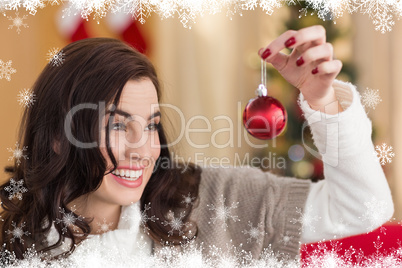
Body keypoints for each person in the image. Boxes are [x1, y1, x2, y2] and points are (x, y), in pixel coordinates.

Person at [0, 25, 393, 265]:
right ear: (57, 137)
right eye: (118, 126)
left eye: (152, 125)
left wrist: (324, 104)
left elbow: (363, 208)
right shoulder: (12, 246)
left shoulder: (215, 204)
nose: (143, 149)